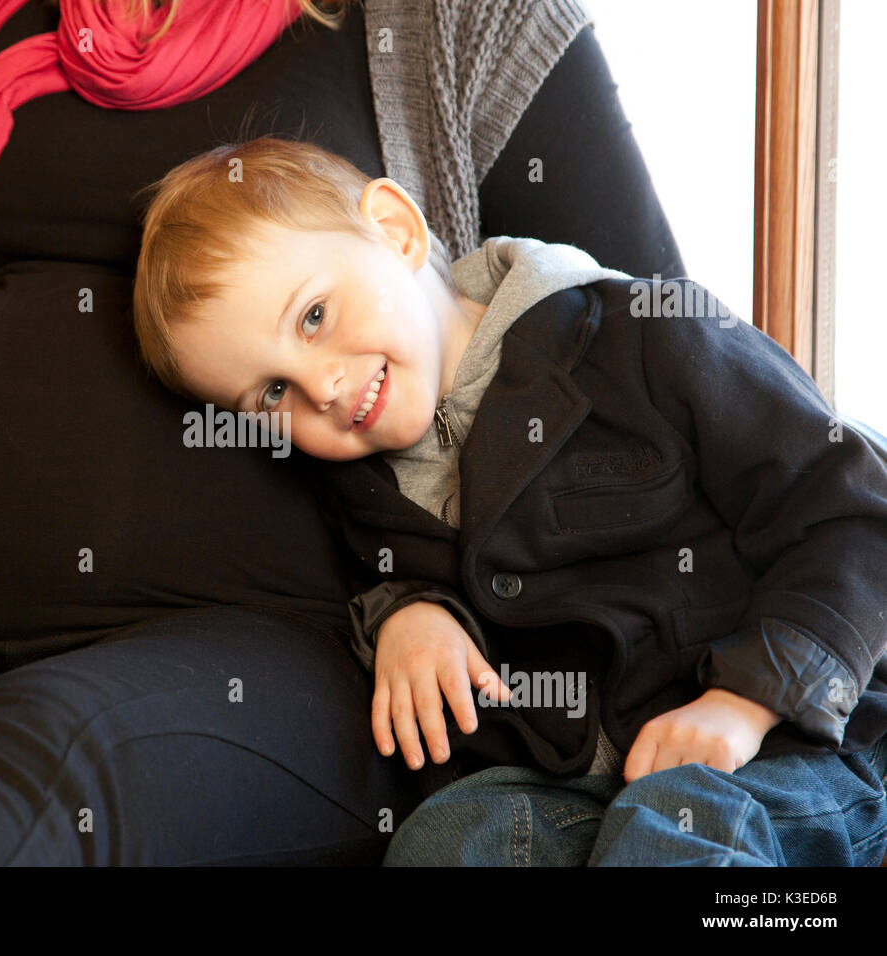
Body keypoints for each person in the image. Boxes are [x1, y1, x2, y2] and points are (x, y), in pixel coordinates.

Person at [0, 0, 698, 866]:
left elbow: (648, 360)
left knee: (32, 750)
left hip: (271, 659)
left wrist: (454, 609)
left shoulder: (447, 24)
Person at [130, 134, 887, 865]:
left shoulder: (648, 334)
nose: (320, 387)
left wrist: (746, 703)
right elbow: (396, 576)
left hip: (797, 741)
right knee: (447, 840)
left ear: (395, 232)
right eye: (271, 392)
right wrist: (408, 616)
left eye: (315, 316)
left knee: (676, 826)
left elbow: (853, 514)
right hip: (583, 782)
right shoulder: (359, 489)